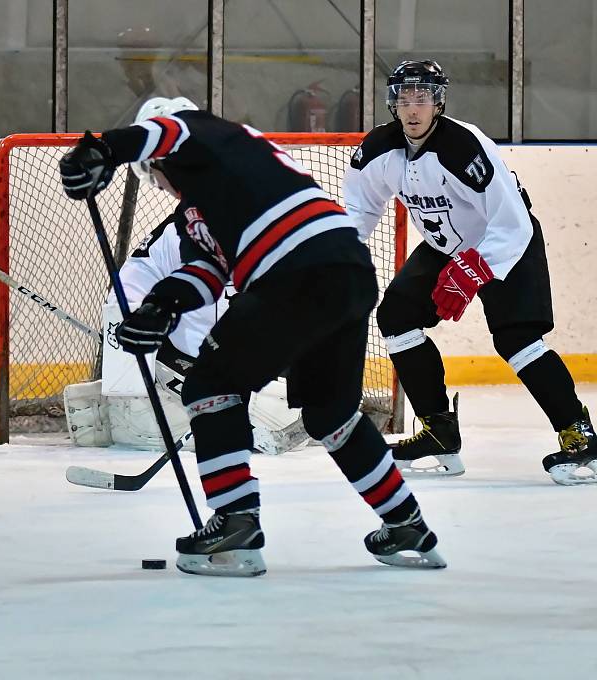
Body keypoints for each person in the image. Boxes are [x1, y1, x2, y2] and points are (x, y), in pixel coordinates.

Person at [59, 96, 446, 576]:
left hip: (295, 273)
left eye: (153, 174)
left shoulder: (211, 136)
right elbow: (208, 270)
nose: (159, 184)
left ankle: (235, 522)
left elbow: (172, 131)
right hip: (345, 272)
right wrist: (161, 308)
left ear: (158, 159)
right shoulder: (209, 202)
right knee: (330, 413)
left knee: (209, 386)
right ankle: (405, 523)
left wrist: (102, 148)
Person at [343, 60, 596, 485]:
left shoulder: (464, 146)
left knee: (517, 340)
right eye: (404, 98)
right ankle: (439, 432)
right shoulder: (379, 150)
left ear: (438, 101)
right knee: (397, 317)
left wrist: (476, 269)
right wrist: (338, 256)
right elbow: (360, 208)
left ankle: (579, 434)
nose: (412, 108)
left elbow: (511, 219)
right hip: (445, 247)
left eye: (421, 97)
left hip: (504, 242)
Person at [64, 206, 308, 455]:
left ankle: (151, 418)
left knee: (279, 407)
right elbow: (126, 293)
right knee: (139, 418)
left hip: (264, 374)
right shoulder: (175, 233)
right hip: (183, 366)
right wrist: (135, 331)